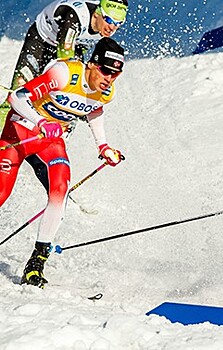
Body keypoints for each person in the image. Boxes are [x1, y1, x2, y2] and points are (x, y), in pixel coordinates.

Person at [0, 37, 125, 288]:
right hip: (18, 133)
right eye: (105, 71)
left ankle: (36, 264)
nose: (109, 78)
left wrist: (103, 146)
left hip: (49, 143)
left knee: (60, 190)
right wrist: (41, 122)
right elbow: (17, 98)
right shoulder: (64, 73)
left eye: (116, 74)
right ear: (91, 64)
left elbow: (94, 110)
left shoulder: (106, 91)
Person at [0, 0, 128, 191]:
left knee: (75, 102)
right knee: (20, 93)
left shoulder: (104, 27)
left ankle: (50, 160)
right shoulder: (75, 17)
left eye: (119, 23)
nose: (112, 27)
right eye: (109, 20)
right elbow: (64, 61)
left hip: (75, 46)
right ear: (98, 13)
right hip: (41, 41)